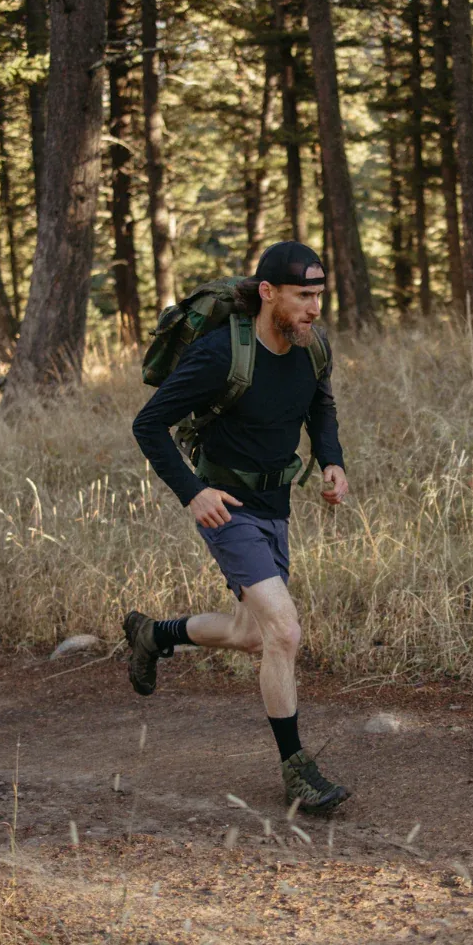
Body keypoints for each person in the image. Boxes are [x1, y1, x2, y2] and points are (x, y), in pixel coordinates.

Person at [127, 241, 351, 814]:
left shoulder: (310, 347)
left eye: (319, 295)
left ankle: (155, 634)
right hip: (228, 507)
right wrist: (192, 491)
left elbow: (319, 406)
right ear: (268, 292)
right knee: (284, 631)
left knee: (251, 634)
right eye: (304, 296)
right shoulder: (222, 354)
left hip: (276, 506)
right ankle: (297, 769)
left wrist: (331, 460)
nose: (314, 307)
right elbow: (149, 424)